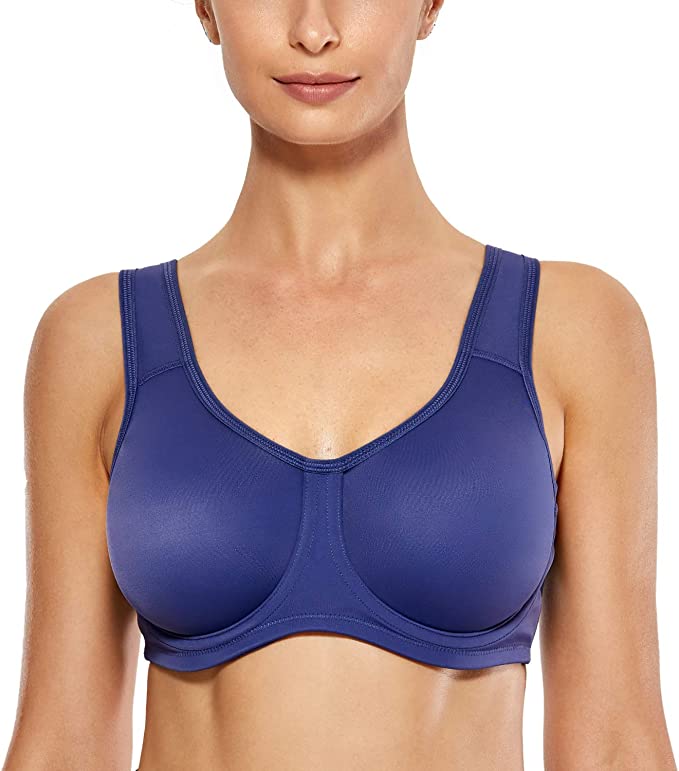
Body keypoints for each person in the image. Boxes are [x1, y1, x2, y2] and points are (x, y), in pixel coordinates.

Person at [3, 1, 676, 769]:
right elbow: (62, 743)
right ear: (205, 7)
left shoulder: (571, 330)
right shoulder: (100, 341)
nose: (314, 30)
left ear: (429, 4)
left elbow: (616, 742)